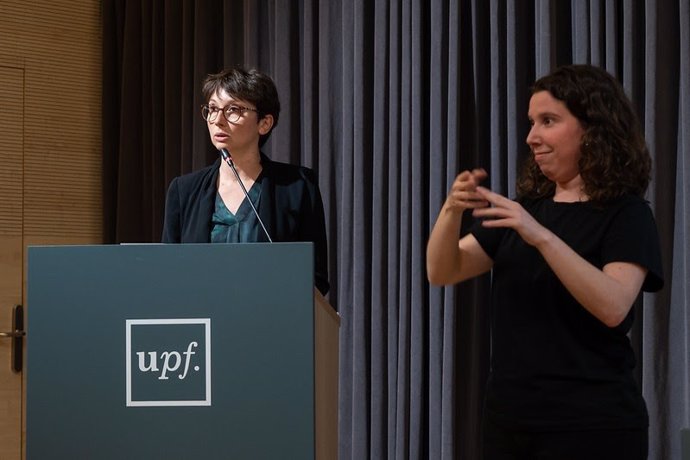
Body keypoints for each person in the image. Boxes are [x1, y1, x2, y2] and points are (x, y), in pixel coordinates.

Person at [427, 64, 663, 459]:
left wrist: (539, 236)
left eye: (548, 121)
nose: (532, 137)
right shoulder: (525, 211)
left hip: (594, 426)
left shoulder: (627, 214)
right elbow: (442, 270)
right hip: (511, 423)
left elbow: (613, 306)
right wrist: (451, 210)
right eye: (532, 122)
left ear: (593, 129)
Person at [162, 67, 329, 295]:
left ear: (264, 123)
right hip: (203, 324)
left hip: (270, 322)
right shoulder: (184, 191)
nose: (218, 120)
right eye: (212, 109)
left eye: (233, 110)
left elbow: (315, 278)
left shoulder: (297, 187)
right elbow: (166, 273)